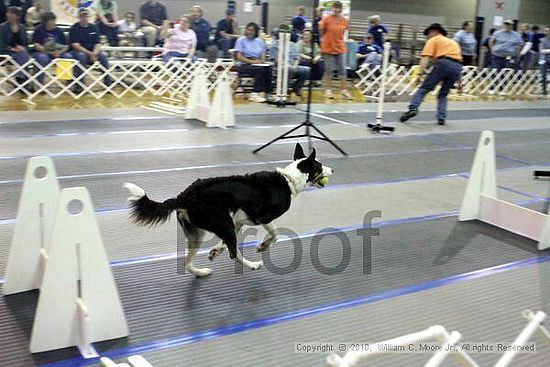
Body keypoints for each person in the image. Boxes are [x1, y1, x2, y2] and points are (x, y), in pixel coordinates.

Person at [400, 23, 462, 126]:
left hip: (443, 63)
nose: (427, 37)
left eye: (427, 34)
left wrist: (419, 74)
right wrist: (460, 83)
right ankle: (441, 117)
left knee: (423, 89)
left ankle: (413, 108)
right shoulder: (453, 42)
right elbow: (458, 61)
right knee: (443, 94)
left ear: (433, 32)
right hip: (457, 67)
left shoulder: (434, 40)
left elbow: (425, 57)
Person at [69, 7, 112, 91]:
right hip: (79, 52)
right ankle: (79, 84)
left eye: (86, 16)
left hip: (92, 52)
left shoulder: (94, 27)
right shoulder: (74, 28)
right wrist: (90, 53)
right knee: (81, 56)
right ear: (79, 17)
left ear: (88, 17)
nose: (84, 18)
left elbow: (98, 43)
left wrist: (94, 53)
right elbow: (76, 45)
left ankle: (108, 83)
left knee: (103, 56)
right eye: (82, 16)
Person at [319, 0, 352, 100]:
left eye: (338, 7)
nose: (336, 9)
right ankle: (328, 90)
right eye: (334, 7)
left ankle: (343, 90)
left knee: (343, 70)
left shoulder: (344, 20)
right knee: (329, 70)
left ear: (341, 9)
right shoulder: (326, 19)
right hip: (328, 47)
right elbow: (321, 31)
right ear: (332, 8)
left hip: (340, 47)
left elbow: (344, 32)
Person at [234, 22, 272, 103]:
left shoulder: (260, 41)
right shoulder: (241, 40)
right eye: (248, 29)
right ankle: (255, 93)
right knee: (259, 69)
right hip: (244, 64)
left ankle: (268, 92)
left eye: (251, 30)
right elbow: (239, 57)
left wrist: (263, 61)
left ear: (255, 32)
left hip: (257, 62)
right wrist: (252, 61)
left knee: (268, 69)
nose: (248, 32)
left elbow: (263, 55)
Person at [269, 24, 310, 98]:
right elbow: (275, 59)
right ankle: (285, 89)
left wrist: (295, 65)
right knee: (288, 69)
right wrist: (285, 64)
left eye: (287, 32)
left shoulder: (292, 45)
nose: (285, 34)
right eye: (283, 32)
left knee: (306, 70)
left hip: (292, 65)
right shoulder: (274, 45)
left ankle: (297, 86)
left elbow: (297, 57)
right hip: (279, 67)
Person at [32, 11, 72, 85]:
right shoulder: (38, 30)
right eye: (52, 20)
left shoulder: (59, 31)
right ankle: (39, 82)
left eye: (54, 20)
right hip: (43, 53)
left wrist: (59, 52)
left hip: (58, 53)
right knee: (42, 58)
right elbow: (36, 45)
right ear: (46, 22)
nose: (54, 22)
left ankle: (67, 81)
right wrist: (49, 52)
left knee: (68, 56)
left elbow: (66, 46)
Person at [489, 19, 522, 94]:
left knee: (506, 72)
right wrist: (492, 50)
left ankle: (503, 89)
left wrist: (517, 55)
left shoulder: (516, 35)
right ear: (504, 25)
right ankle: (492, 88)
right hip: (497, 55)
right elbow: (491, 41)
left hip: (509, 56)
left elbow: (519, 44)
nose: (507, 26)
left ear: (512, 26)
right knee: (495, 70)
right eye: (506, 24)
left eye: (509, 24)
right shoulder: (498, 33)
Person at [0, 6, 30, 86]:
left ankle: (21, 78)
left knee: (23, 53)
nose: (8, 15)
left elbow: (25, 43)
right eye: (8, 13)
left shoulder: (22, 27)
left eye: (11, 13)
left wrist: (21, 47)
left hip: (19, 53)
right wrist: (12, 49)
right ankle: (22, 79)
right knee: (24, 55)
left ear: (17, 16)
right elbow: (1, 44)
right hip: (4, 53)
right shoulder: (2, 27)